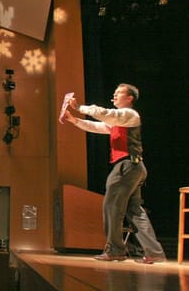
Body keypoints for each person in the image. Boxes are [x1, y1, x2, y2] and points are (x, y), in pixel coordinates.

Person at [62, 83, 166, 264]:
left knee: (111, 207)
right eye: (114, 93)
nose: (115, 96)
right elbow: (98, 126)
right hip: (134, 168)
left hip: (127, 167)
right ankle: (154, 252)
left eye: (119, 93)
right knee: (134, 211)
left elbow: (108, 114)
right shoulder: (119, 122)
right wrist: (75, 120)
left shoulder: (130, 114)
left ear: (129, 98)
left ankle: (116, 250)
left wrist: (80, 107)